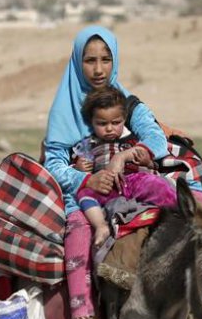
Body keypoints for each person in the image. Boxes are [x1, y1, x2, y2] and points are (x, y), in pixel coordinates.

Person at [43, 26, 202, 319]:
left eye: (105, 59)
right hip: (90, 193)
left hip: (135, 180)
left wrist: (134, 153)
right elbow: (54, 164)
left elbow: (153, 134)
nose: (98, 69)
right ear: (77, 62)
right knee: (78, 231)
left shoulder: (127, 101)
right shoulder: (64, 110)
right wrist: (86, 179)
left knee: (201, 207)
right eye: (89, 60)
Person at [70, 87, 177, 249]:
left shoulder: (133, 140)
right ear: (91, 121)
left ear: (124, 119)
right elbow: (75, 168)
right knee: (84, 194)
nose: (109, 128)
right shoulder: (87, 145)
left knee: (157, 184)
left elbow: (154, 165)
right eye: (102, 123)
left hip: (135, 181)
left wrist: (147, 162)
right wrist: (79, 168)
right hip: (107, 187)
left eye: (115, 123)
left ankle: (178, 209)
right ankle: (101, 226)